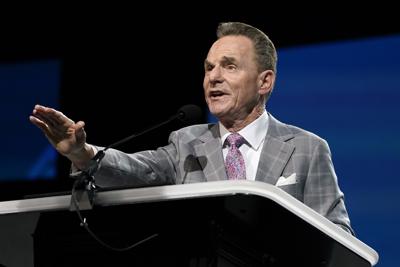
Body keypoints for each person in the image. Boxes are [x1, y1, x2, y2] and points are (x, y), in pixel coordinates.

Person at [30, 22, 354, 235]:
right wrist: (83, 153)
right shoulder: (186, 143)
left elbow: (338, 236)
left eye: (229, 66)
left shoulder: (307, 149)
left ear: (264, 81)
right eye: (209, 68)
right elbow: (136, 170)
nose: (213, 77)